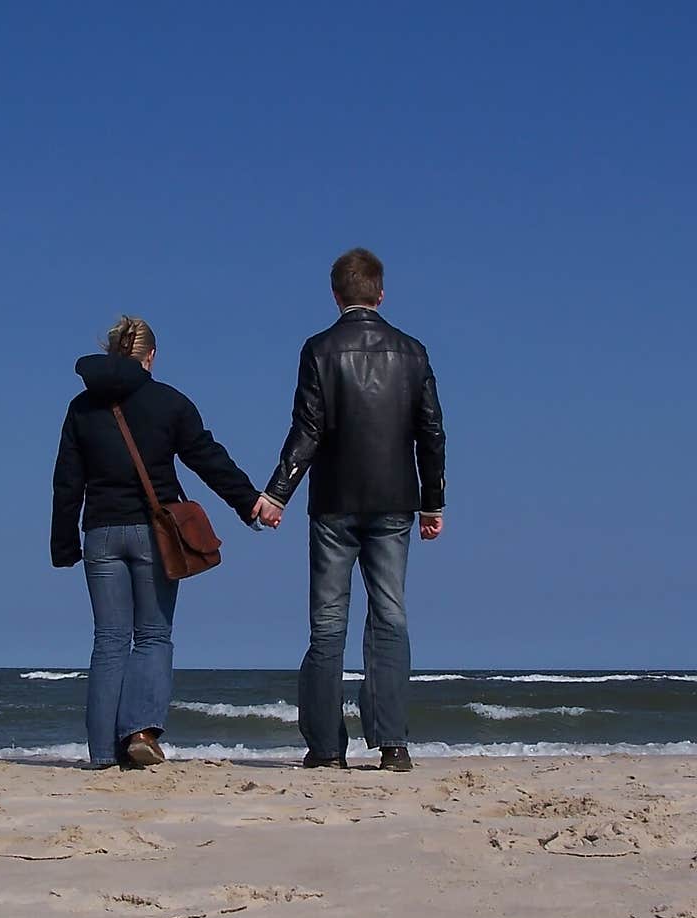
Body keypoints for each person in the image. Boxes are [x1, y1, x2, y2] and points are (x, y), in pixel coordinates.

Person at [252, 248, 446, 772]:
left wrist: (276, 494)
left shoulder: (319, 349)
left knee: (327, 624)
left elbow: (307, 430)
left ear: (336, 295)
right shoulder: (413, 351)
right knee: (390, 616)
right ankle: (393, 744)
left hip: (334, 503)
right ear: (379, 294)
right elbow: (431, 433)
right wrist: (433, 501)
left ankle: (326, 748)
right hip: (394, 501)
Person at [51, 316, 261, 769]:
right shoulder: (170, 403)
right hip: (153, 532)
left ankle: (103, 754)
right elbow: (208, 458)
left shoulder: (81, 407)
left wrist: (63, 544)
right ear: (150, 356)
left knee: (108, 640)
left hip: (101, 534)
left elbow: (67, 482)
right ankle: (140, 732)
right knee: (152, 635)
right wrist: (249, 503)